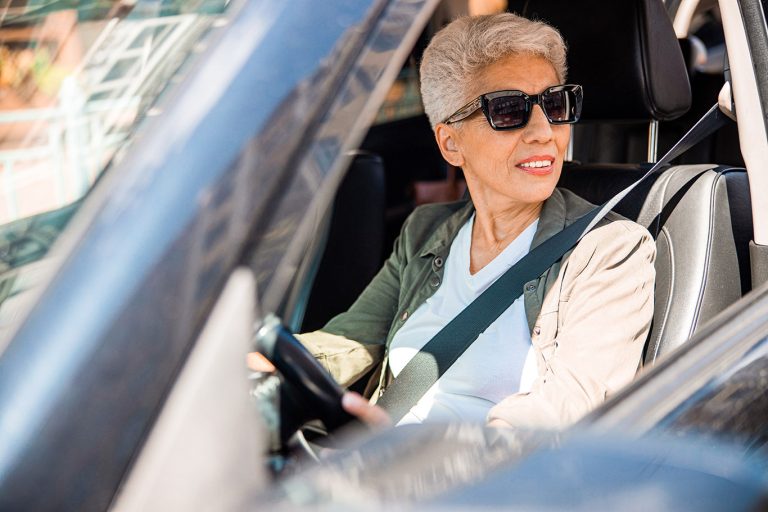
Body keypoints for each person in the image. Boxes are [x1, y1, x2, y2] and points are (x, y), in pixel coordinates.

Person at [295, 12, 656, 430]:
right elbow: (348, 342)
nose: (544, 131)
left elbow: (562, 415)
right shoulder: (425, 231)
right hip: (376, 463)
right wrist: (259, 368)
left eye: (555, 105)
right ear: (450, 143)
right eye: (507, 110)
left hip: (479, 485)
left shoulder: (609, 250)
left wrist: (422, 458)